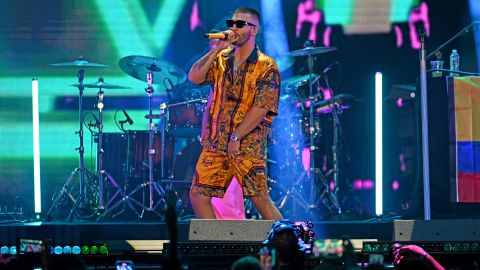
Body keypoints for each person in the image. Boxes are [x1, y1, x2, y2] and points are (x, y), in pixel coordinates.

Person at [188, 7, 283, 220]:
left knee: (260, 199)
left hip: (246, 146)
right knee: (198, 195)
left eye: (240, 24)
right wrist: (215, 50)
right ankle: (216, 248)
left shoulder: (266, 67)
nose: (233, 28)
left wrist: (236, 136)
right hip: (216, 144)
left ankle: (287, 247)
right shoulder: (221, 59)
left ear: (254, 30)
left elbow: (262, 107)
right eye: (231, 23)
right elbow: (194, 77)